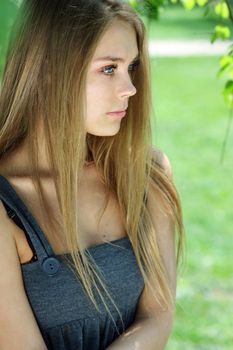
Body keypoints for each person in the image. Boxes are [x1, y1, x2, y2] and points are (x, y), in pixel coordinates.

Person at [0, 0, 184, 349]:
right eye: (109, 69)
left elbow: (159, 316)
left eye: (131, 67)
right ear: (48, 70)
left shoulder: (147, 176)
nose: (130, 88)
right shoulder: (6, 208)